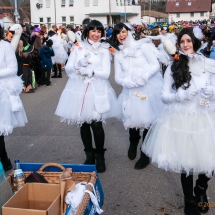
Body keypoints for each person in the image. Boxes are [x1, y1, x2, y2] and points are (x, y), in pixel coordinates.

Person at [142, 28, 215, 215]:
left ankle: (200, 188)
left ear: (196, 42)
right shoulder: (173, 66)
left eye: (189, 41)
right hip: (181, 119)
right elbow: (165, 96)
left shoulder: (208, 64)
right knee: (187, 163)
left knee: (209, 163)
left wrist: (211, 93)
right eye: (182, 41)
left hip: (204, 118)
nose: (185, 45)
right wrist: (180, 95)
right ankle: (189, 200)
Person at [55, 20, 119, 173]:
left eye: (99, 31)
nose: (96, 34)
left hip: (97, 88)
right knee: (83, 123)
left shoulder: (104, 49)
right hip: (80, 89)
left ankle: (100, 157)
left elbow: (106, 73)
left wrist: (92, 72)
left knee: (97, 124)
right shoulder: (79, 47)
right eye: (93, 31)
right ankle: (89, 155)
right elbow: (69, 69)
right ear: (87, 31)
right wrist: (78, 64)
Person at [111, 22, 164, 169]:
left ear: (129, 31)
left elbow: (155, 65)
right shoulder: (119, 54)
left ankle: (145, 153)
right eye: (118, 33)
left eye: (123, 31)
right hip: (131, 91)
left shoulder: (143, 46)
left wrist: (144, 76)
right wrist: (126, 82)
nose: (121, 35)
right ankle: (133, 142)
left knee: (149, 121)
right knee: (133, 122)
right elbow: (117, 77)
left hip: (149, 88)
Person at [0, 20, 28, 171]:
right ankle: (4, 162)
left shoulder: (4, 46)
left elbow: (12, 68)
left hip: (2, 92)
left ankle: (4, 162)